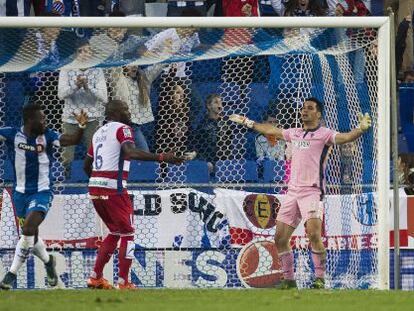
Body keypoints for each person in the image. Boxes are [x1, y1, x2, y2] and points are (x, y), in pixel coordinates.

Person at [229, 97, 372, 289]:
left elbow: (345, 137)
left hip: (312, 192)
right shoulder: (294, 133)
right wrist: (248, 122)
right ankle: (289, 280)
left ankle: (320, 279)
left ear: (318, 114)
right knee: (279, 238)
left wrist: (360, 130)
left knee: (313, 234)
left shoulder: (325, 134)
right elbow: (271, 130)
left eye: (310, 108)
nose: (304, 111)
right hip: (292, 193)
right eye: (303, 108)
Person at [84, 100, 185, 289]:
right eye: (126, 109)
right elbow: (130, 152)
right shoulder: (123, 129)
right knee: (128, 234)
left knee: (114, 232)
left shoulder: (98, 132)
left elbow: (86, 166)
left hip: (95, 187)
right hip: (114, 188)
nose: (129, 113)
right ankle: (124, 282)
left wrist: (99, 181)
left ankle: (95, 277)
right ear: (115, 113)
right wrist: (162, 157)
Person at [0, 103, 88, 290]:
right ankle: (49, 263)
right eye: (41, 118)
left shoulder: (48, 136)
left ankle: (11, 274)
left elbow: (71, 140)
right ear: (30, 121)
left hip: (42, 191)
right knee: (31, 235)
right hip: (20, 194)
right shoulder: (11, 134)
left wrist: (81, 127)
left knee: (28, 229)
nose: (45, 121)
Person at [58, 41, 108, 177]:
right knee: (67, 154)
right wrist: (75, 85)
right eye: (80, 51)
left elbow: (104, 98)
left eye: (87, 51)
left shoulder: (97, 70)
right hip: (71, 117)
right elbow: (61, 95)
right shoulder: (66, 69)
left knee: (94, 151)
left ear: (91, 54)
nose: (84, 54)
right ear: (75, 54)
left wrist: (87, 87)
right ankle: (65, 178)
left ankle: (95, 179)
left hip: (92, 117)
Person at [111, 63, 167, 151]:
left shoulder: (143, 78)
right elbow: (115, 66)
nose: (134, 66)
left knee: (143, 154)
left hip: (133, 127)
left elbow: (158, 66)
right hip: (118, 126)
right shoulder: (118, 78)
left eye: (136, 64)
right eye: (130, 64)